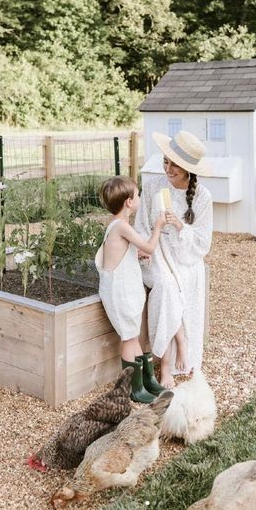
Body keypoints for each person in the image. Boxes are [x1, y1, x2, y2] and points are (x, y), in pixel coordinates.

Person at [134, 130, 213, 389]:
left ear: (188, 168)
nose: (167, 169)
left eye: (174, 165)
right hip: (156, 251)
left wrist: (180, 226)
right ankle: (174, 351)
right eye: (165, 161)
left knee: (173, 285)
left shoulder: (202, 197)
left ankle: (169, 360)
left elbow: (202, 243)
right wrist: (145, 246)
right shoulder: (154, 186)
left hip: (186, 256)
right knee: (166, 283)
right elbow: (142, 225)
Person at [95, 175, 166, 403]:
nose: (140, 197)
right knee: (128, 339)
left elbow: (124, 254)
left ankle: (145, 381)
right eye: (137, 194)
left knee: (134, 337)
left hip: (126, 291)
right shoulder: (122, 227)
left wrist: (137, 254)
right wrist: (158, 227)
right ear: (128, 202)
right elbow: (150, 247)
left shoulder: (118, 227)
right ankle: (133, 389)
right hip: (120, 293)